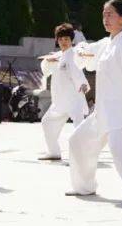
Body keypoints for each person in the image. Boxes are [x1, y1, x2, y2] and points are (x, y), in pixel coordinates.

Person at [66, 0, 122, 201]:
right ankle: (84, 186)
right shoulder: (107, 43)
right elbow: (85, 51)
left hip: (120, 111)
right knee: (78, 141)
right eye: (104, 14)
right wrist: (81, 51)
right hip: (103, 110)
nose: (106, 18)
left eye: (110, 14)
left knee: (119, 151)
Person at [38, 23, 91, 161]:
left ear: (71, 40)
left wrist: (83, 84)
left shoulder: (75, 55)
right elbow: (45, 69)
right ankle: (54, 152)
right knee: (47, 122)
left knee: (79, 128)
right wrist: (48, 61)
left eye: (66, 39)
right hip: (60, 100)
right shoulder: (56, 56)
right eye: (60, 39)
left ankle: (82, 156)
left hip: (74, 99)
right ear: (57, 40)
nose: (63, 42)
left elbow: (78, 71)